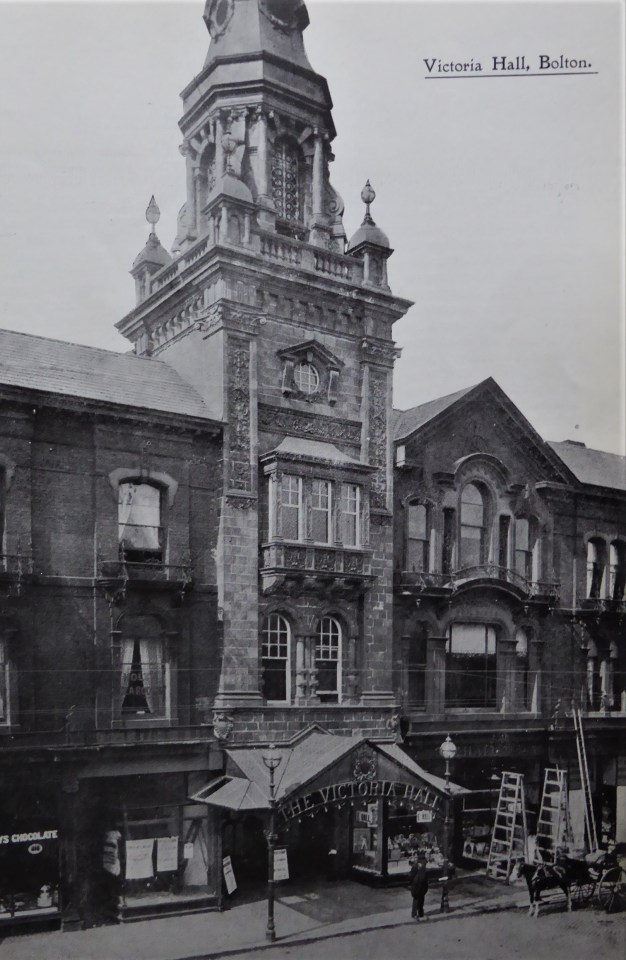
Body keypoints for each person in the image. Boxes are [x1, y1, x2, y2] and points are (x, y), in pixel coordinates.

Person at [409, 854, 429, 920]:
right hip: (416, 886)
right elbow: (411, 876)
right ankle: (414, 914)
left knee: (421, 899)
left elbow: (425, 877)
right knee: (416, 899)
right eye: (424, 861)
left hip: (422, 886)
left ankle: (420, 913)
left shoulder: (423, 867)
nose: (425, 862)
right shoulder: (415, 867)